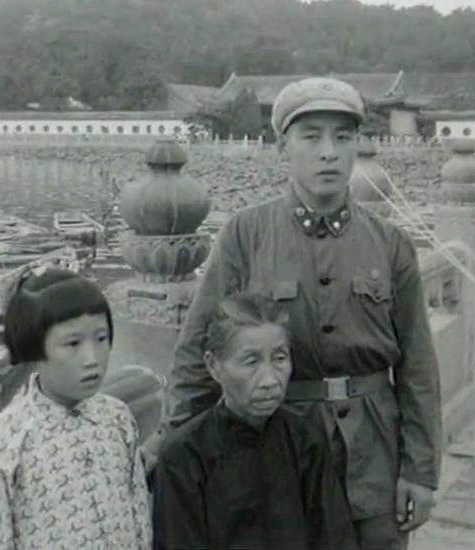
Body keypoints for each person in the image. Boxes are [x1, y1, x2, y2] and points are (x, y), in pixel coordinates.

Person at [143, 76, 443, 549]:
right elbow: (201, 347)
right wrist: (173, 440)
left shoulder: (390, 243)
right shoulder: (246, 234)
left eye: (343, 138)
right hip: (276, 458)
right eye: (312, 136)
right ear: (284, 145)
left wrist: (420, 471)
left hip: (374, 460)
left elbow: (419, 370)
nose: (329, 152)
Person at [0, 267, 152, 550]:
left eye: (101, 339)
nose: (92, 359)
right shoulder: (8, 437)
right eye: (72, 343)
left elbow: (138, 514)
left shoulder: (118, 418)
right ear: (35, 351)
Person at [152, 293, 358, 550]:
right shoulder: (184, 456)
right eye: (251, 362)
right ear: (214, 366)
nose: (270, 380)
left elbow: (334, 537)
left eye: (280, 358)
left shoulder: (306, 439)